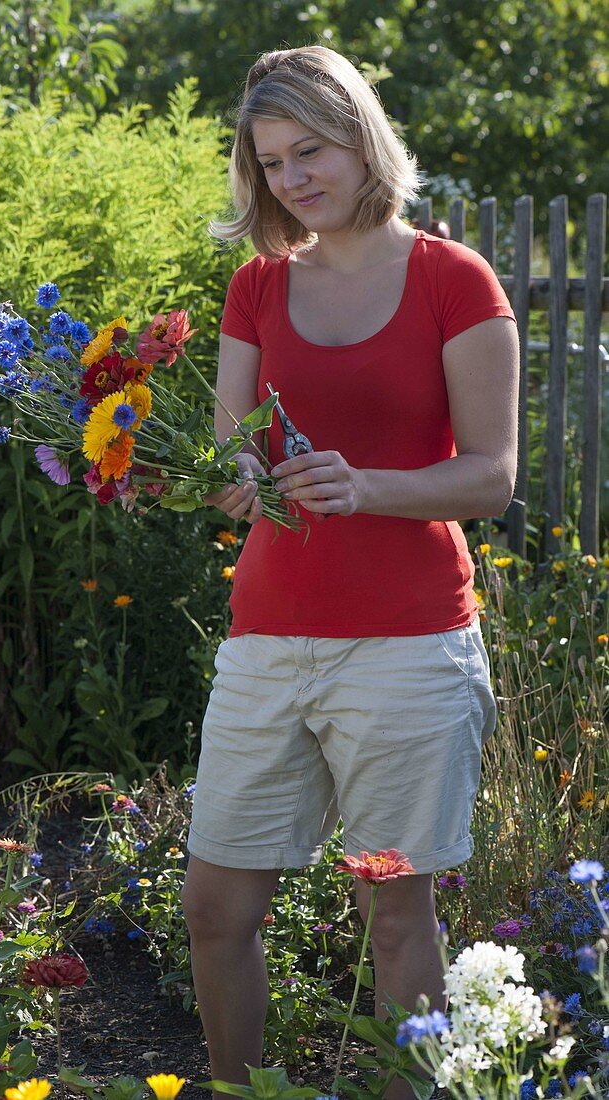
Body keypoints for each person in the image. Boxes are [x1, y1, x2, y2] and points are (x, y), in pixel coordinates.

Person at [180, 45, 519, 1099]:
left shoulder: (452, 279)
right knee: (215, 907)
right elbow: (231, 450)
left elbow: (492, 477)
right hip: (268, 645)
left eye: (310, 150)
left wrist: (367, 485)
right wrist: (232, 482)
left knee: (394, 914)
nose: (291, 179)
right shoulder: (257, 286)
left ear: (361, 138)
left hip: (407, 653)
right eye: (271, 161)